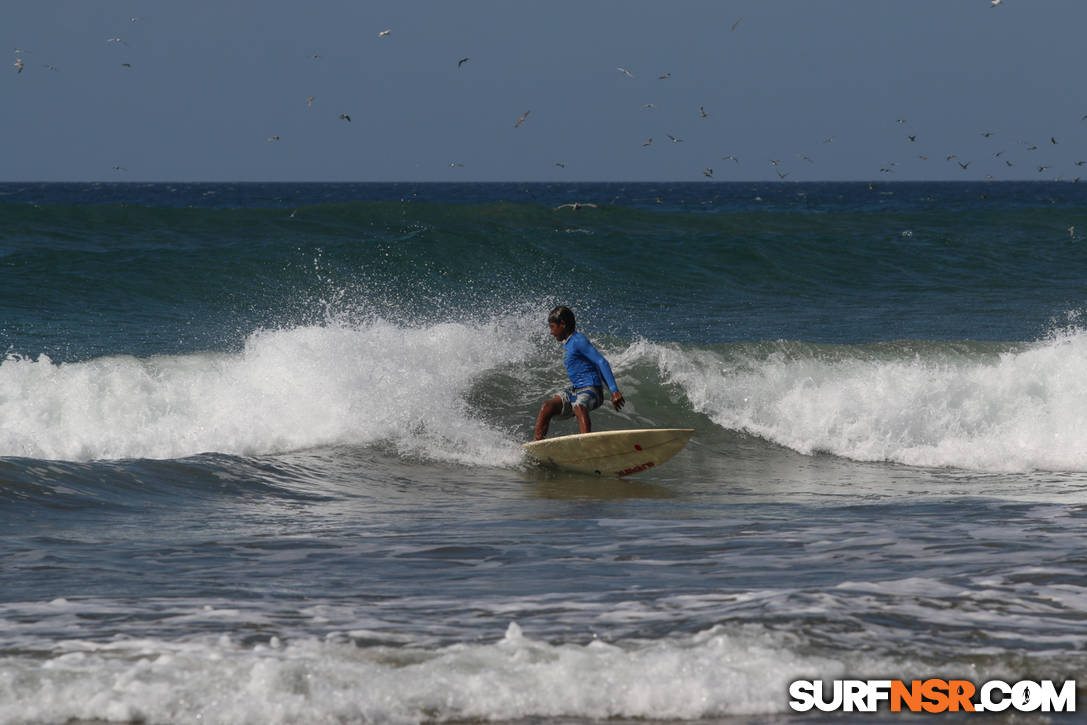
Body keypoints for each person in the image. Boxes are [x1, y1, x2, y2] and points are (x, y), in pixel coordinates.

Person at [533, 306, 625, 440]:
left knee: (579, 406)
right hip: (576, 390)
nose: (551, 332)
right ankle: (537, 446)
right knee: (547, 407)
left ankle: (586, 444)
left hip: (592, 390)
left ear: (563, 324)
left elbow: (601, 362)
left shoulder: (578, 340)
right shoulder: (568, 343)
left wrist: (614, 391)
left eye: (552, 327)